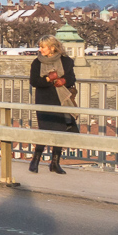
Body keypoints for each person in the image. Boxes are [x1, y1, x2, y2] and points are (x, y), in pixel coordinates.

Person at [30, 35, 77, 174]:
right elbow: (34, 81)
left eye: (42, 47)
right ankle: (35, 160)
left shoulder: (66, 61)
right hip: (44, 99)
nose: (40, 49)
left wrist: (63, 81)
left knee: (60, 130)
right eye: (40, 46)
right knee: (44, 130)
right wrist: (47, 79)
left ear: (52, 47)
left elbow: (71, 78)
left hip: (61, 100)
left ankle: (55, 163)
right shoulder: (37, 62)